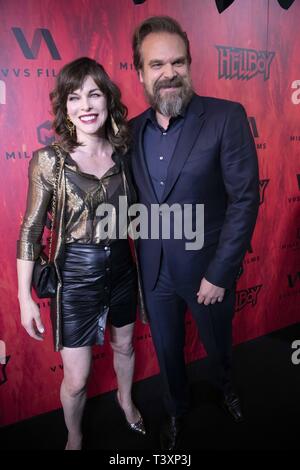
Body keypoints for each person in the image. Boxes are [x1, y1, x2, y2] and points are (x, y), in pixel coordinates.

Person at [130, 16, 260, 450]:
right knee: (168, 354)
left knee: (218, 345)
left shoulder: (226, 117)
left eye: (178, 62)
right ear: (141, 72)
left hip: (209, 273)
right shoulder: (131, 132)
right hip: (156, 274)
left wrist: (221, 272)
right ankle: (176, 410)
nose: (169, 73)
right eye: (156, 64)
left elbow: (245, 200)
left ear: (190, 63)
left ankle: (226, 388)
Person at [16, 57, 146, 450]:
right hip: (74, 279)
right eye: (75, 97)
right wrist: (24, 297)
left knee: (125, 345)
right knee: (76, 379)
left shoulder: (125, 154)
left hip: (123, 270)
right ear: (65, 107)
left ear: (108, 100)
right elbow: (31, 230)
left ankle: (126, 399)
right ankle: (74, 434)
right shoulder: (49, 161)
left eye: (94, 94)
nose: (86, 105)